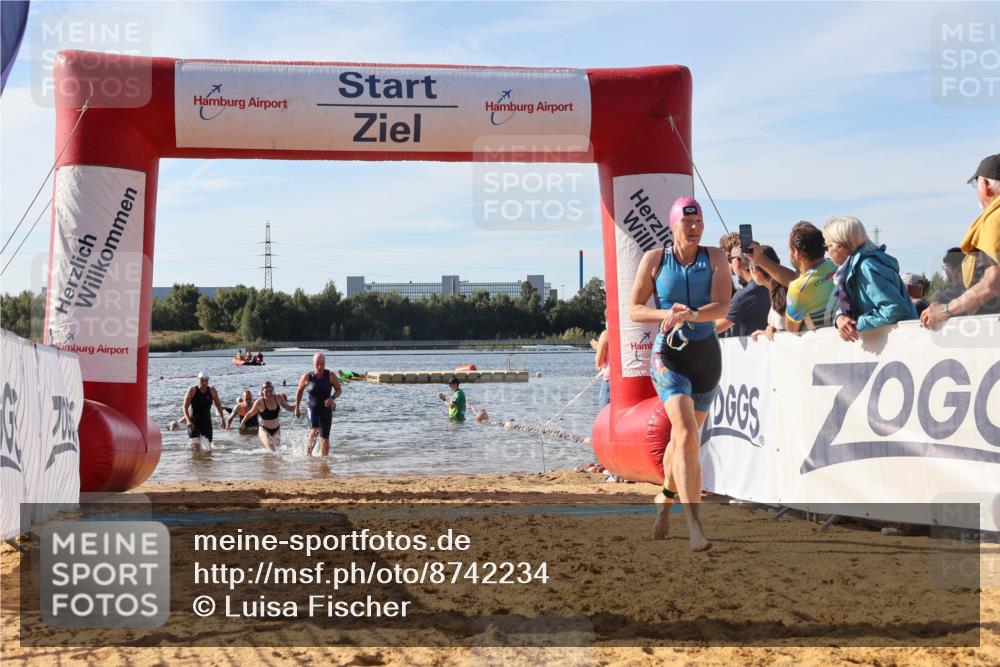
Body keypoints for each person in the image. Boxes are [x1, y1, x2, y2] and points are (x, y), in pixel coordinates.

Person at [629, 197, 731, 552]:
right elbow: (635, 309)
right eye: (687, 223)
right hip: (669, 356)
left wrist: (690, 314)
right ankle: (695, 526)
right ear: (673, 225)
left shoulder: (715, 258)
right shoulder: (656, 260)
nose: (694, 228)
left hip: (706, 357)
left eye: (698, 222)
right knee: (686, 432)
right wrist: (665, 315)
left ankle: (665, 499)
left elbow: (722, 305)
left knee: (682, 441)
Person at [923, 154, 1000, 328]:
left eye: (976, 185)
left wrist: (947, 309)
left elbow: (992, 283)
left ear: (986, 186)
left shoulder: (994, 219)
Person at [823, 216, 917, 342]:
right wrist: (840, 318)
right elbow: (851, 305)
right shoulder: (853, 269)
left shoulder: (866, 268)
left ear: (839, 247)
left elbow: (895, 310)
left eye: (827, 247)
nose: (827, 252)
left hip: (901, 343)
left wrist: (857, 323)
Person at [781, 222, 838, 332]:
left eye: (788, 248)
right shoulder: (838, 265)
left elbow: (791, 329)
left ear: (797, 253)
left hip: (820, 345)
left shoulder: (798, 288)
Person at [294, 352, 342, 456]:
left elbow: (339, 390)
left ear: (325, 363)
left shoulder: (330, 375)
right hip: (312, 408)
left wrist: (332, 398)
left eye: (322, 364)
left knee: (325, 439)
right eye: (317, 364)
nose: (320, 366)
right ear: (313, 364)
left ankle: (324, 464)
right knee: (315, 430)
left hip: (326, 410)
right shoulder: (307, 377)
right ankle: (308, 455)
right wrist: (297, 407)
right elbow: (299, 391)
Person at [716, 248, 770, 337]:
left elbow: (717, 328)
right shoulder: (770, 286)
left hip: (755, 348)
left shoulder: (744, 295)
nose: (729, 263)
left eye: (730, 259)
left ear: (738, 261)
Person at [749, 245, 789, 341]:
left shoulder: (781, 295)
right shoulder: (781, 292)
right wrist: (769, 330)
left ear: (755, 271)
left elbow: (787, 334)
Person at [241, 380, 295, 451]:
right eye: (266, 392)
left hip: (276, 429)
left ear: (273, 390)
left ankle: (268, 461)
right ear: (262, 392)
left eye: (270, 391)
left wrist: (297, 407)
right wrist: (243, 421)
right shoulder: (259, 402)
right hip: (264, 429)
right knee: (271, 448)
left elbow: (288, 407)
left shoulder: (278, 397)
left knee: (277, 451)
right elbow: (250, 413)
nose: (269, 393)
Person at [182, 371, 227, 452]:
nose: (204, 382)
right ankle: (196, 463)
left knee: (208, 448)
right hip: (194, 422)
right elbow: (185, 407)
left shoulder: (212, 390)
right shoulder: (192, 390)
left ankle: (206, 464)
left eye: (206, 380)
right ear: (198, 380)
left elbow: (218, 405)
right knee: (195, 448)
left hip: (206, 421)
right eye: (202, 380)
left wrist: (222, 419)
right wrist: (188, 421)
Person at [591, 329, 610, 408]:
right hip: (627, 378)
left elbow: (599, 363)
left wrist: (599, 347)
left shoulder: (606, 334)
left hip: (610, 381)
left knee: (605, 415)